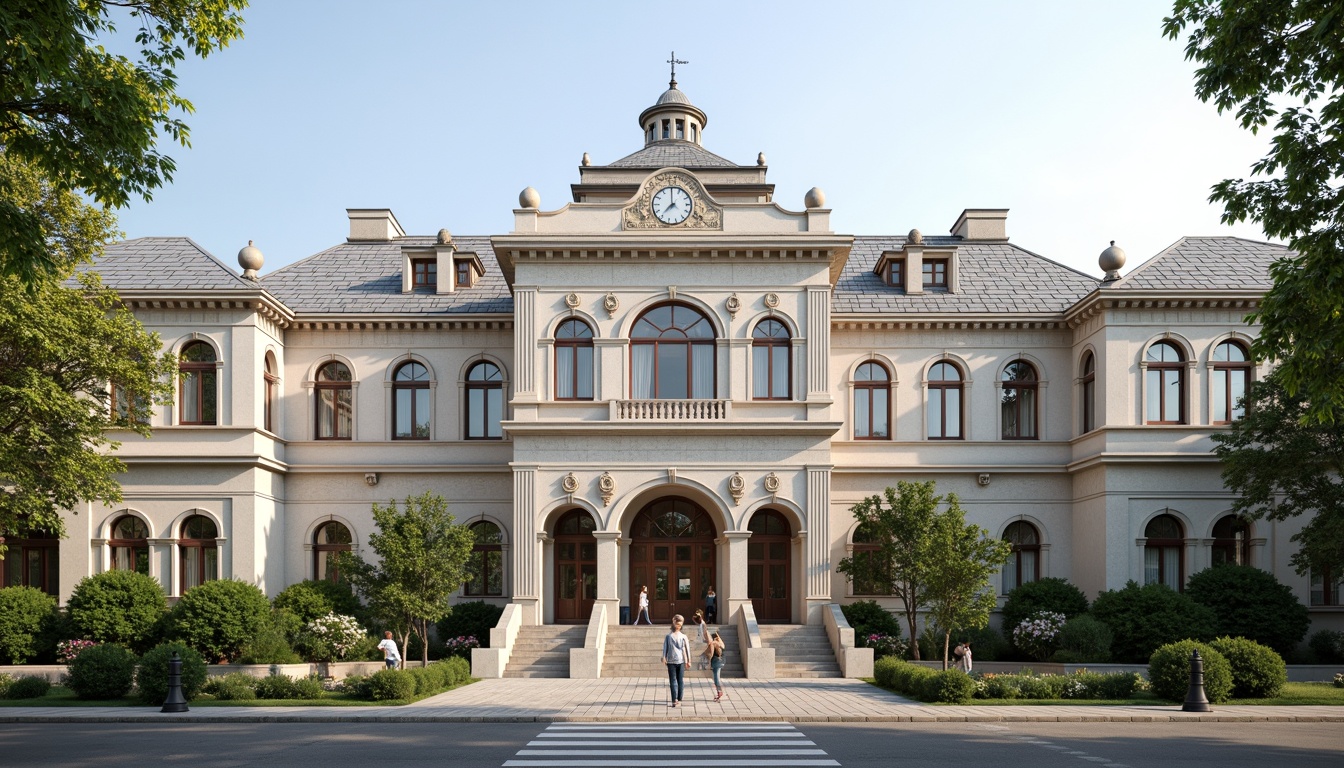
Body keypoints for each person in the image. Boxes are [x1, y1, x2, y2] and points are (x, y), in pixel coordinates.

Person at [660, 614, 691, 707]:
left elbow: (665, 648)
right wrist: (689, 661)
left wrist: (664, 657)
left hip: (675, 660)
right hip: (677, 661)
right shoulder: (677, 636)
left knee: (675, 680)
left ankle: (676, 699)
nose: (678, 626)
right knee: (678, 680)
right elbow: (687, 649)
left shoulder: (672, 636)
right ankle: (678, 699)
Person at [707, 630, 727, 702]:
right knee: (717, 677)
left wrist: (709, 662)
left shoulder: (713, 643)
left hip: (715, 661)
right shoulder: (721, 643)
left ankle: (719, 692)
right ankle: (719, 692)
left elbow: (711, 654)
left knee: (716, 678)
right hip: (722, 661)